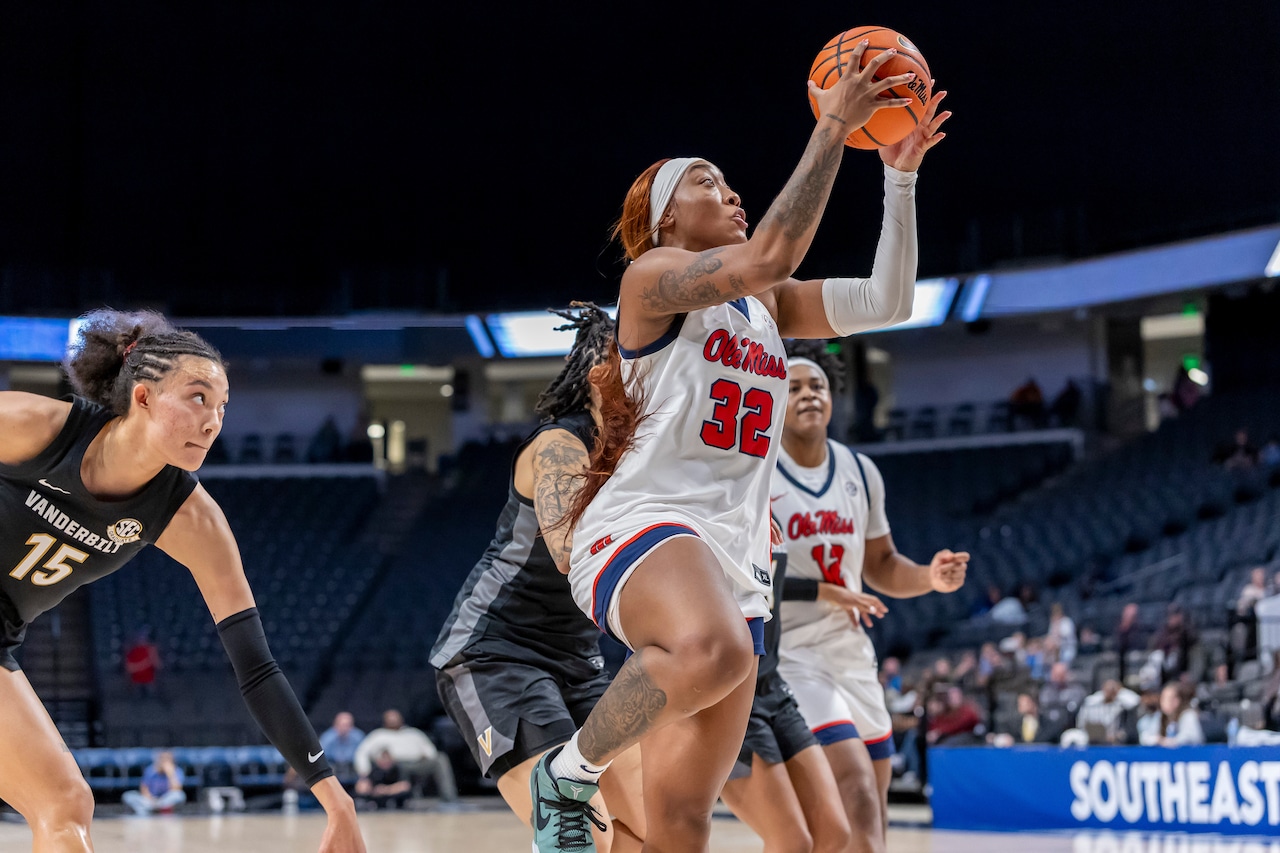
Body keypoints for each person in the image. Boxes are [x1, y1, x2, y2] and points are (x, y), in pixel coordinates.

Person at [533, 43, 951, 853]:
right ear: (665, 218)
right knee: (714, 649)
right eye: (705, 182)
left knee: (680, 817)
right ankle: (571, 769)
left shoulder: (768, 307)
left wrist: (899, 179)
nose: (730, 192)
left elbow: (887, 300)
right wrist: (833, 127)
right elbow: (770, 254)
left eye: (727, 182)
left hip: (736, 551)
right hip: (646, 520)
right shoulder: (652, 277)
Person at [0, 309, 364, 852]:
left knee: (64, 806)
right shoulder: (34, 425)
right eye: (198, 398)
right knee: (64, 803)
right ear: (143, 397)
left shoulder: (191, 518)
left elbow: (256, 667)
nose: (213, 421)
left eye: (222, 407)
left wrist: (335, 798)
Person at [431, 305, 644, 852]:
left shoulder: (644, 454)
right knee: (581, 836)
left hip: (579, 658)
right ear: (597, 371)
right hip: (497, 651)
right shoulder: (560, 445)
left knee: (648, 830)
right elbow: (570, 553)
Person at [718, 538, 851, 853]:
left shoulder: (766, 516)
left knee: (835, 833)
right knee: (792, 841)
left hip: (772, 687)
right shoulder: (712, 515)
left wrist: (824, 591)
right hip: (730, 694)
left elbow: (769, 582)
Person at [352, 709, 457, 803]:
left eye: (395, 718)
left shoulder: (413, 733)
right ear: (384, 721)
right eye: (390, 719)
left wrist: (426, 756)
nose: (393, 721)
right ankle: (406, 799)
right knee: (399, 770)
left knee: (440, 759)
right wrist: (364, 774)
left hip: (417, 764)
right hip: (393, 766)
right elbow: (362, 753)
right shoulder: (378, 735)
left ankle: (449, 798)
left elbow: (430, 751)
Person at [1138, 682, 1204, 746]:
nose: (1164, 702)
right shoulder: (1160, 716)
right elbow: (1145, 737)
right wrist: (1156, 739)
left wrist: (1170, 742)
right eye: (1163, 698)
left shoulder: (1188, 715)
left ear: (1177, 701)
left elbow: (1190, 738)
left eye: (1168, 698)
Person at [1076, 679, 1140, 744]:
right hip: (1091, 738)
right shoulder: (1092, 703)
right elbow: (1081, 723)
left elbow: (1135, 700)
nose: (1110, 692)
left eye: (1113, 690)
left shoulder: (1121, 703)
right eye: (1108, 689)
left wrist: (1120, 692)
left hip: (1115, 739)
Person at [122, 750, 186, 815]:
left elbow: (177, 789)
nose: (164, 761)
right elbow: (143, 788)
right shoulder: (150, 770)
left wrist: (170, 774)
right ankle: (154, 809)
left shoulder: (177, 771)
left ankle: (151, 809)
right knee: (127, 796)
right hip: (150, 800)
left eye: (167, 759)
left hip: (165, 800)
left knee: (180, 795)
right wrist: (150, 799)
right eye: (162, 759)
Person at [123, 626, 162, 697]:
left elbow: (159, 666)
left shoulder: (151, 650)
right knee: (137, 694)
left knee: (152, 694)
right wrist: (145, 663)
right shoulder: (132, 651)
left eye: (144, 637)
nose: (142, 639)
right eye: (141, 637)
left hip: (149, 681)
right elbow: (129, 668)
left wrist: (153, 655)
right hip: (136, 682)